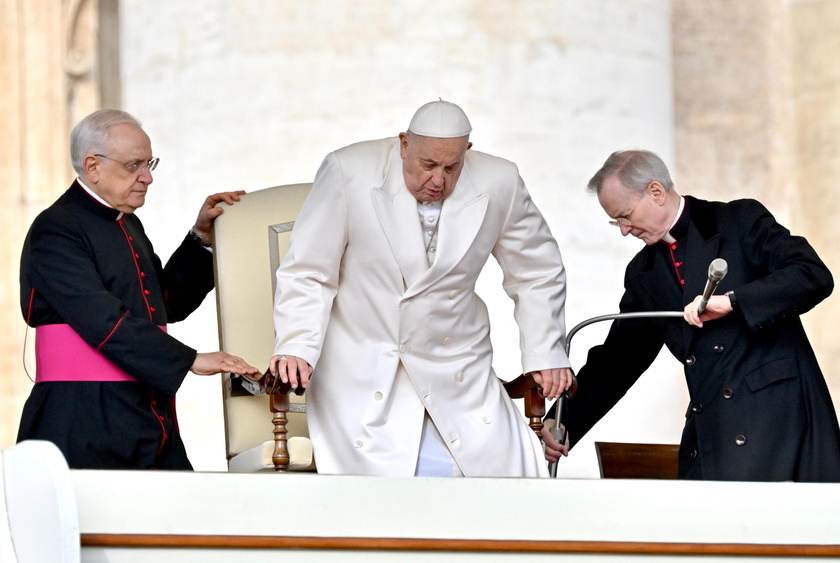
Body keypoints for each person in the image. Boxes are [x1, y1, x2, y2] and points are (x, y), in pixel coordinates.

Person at [264, 100, 573, 477]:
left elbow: (537, 270)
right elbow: (310, 271)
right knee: (398, 486)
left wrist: (545, 351)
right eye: (428, 165)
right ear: (404, 145)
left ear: (467, 155)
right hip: (367, 365)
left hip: (459, 367)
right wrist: (297, 343)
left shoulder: (501, 179)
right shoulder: (349, 170)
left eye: (452, 167)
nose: (438, 180)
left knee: (501, 474)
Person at [543, 149, 840, 481]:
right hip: (714, 423)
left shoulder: (738, 221)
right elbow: (618, 360)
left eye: (625, 215)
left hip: (780, 421)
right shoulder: (645, 272)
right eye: (616, 221)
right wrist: (565, 421)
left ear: (656, 192)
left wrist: (734, 301)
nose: (624, 230)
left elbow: (812, 275)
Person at [18, 108, 259, 470]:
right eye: (134, 165)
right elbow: (102, 319)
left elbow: (165, 303)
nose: (147, 177)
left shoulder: (128, 224)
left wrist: (201, 239)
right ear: (93, 166)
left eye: (149, 164)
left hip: (145, 412)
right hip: (83, 417)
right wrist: (189, 359)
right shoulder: (56, 229)